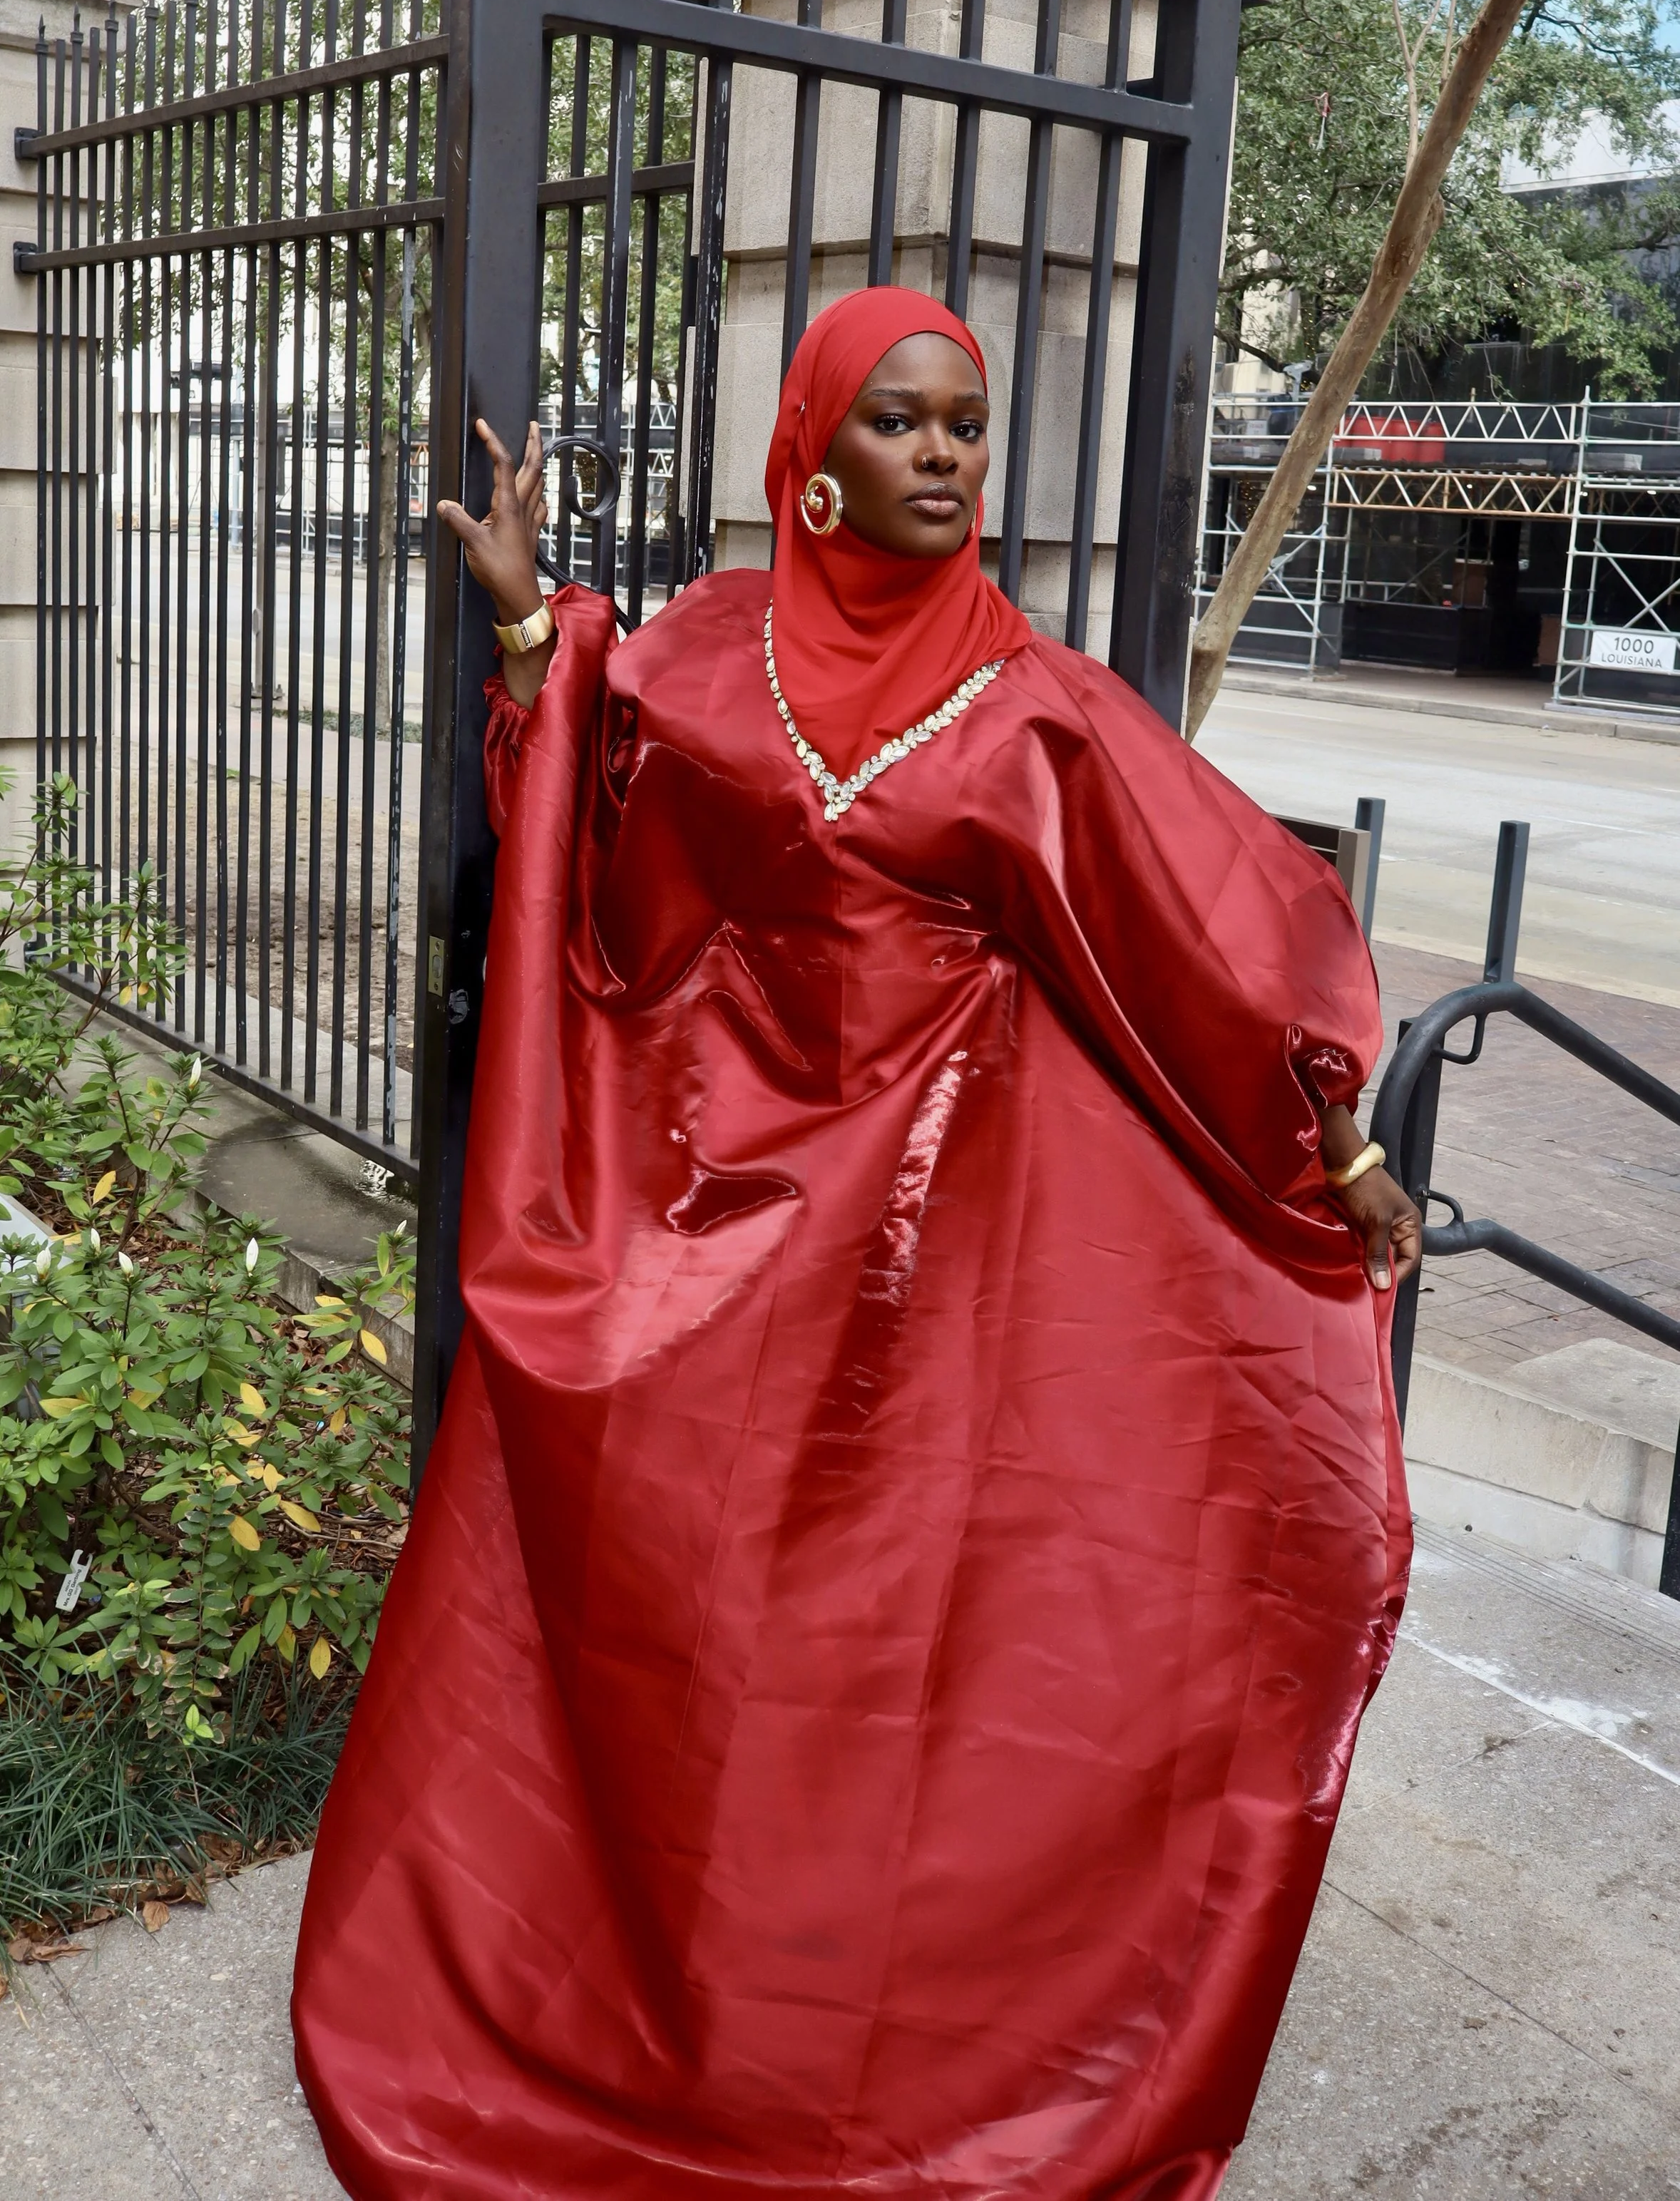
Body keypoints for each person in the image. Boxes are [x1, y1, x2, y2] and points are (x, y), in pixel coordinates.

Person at [293, 285, 1420, 2201]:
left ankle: (876, 2041)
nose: (938, 456)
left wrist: (1337, 1136)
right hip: (702, 1210)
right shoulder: (710, 650)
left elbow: (1225, 925)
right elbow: (602, 825)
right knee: (697, 1635)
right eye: (896, 421)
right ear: (809, 450)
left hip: (934, 1255)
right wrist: (520, 619)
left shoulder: (1039, 705)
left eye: (963, 428)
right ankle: (634, 1985)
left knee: (889, 1651)